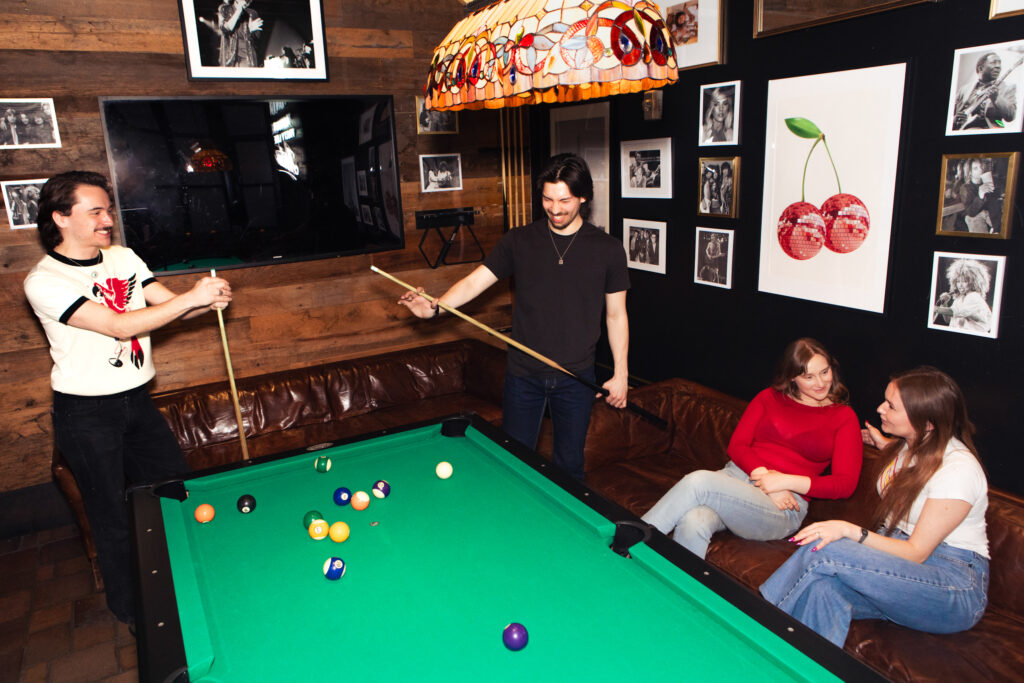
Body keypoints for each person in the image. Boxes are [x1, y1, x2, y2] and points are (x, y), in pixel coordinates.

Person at [23, 171, 233, 625]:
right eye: (95, 211)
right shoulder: (44, 280)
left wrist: (206, 298)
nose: (108, 219)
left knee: (176, 489)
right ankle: (135, 613)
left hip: (137, 400)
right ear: (61, 217)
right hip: (86, 413)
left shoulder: (123, 257)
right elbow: (120, 325)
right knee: (113, 516)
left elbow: (167, 306)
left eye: (108, 209)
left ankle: (198, 579)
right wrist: (190, 300)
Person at [396, 154, 629, 481]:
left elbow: (617, 315)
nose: (555, 208)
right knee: (513, 465)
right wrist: (435, 307)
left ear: (583, 197)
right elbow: (475, 282)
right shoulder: (519, 241)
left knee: (570, 467)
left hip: (576, 378)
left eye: (564, 200)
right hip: (523, 375)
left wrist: (621, 373)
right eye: (547, 198)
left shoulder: (608, 250)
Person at [760, 367, 989, 648]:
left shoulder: (959, 470)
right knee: (822, 588)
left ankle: (757, 625)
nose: (881, 409)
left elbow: (916, 553)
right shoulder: (913, 445)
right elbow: (916, 474)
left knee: (827, 549)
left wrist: (849, 530)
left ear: (927, 422)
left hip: (950, 586)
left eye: (891, 406)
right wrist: (887, 446)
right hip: (901, 568)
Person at [642, 338, 862, 559]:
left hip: (785, 503)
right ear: (792, 377)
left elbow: (845, 484)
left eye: (825, 372)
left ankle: (632, 539)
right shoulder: (769, 397)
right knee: (694, 521)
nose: (820, 383)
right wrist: (766, 479)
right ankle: (681, 586)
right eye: (809, 377)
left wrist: (783, 482)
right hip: (737, 477)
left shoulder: (843, 417)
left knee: (699, 482)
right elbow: (737, 445)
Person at [954, 52, 1018, 131]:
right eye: (993, 62)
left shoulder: (1008, 88)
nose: (998, 66)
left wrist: (996, 98)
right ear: (980, 68)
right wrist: (955, 120)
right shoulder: (964, 89)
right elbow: (951, 116)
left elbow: (1011, 116)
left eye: (999, 63)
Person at [933, 258, 993, 333]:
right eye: (958, 281)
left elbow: (954, 312)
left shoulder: (974, 297)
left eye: (965, 281)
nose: (960, 285)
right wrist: (944, 303)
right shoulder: (960, 298)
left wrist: (934, 309)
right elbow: (948, 320)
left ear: (973, 282)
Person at [216, 0, 263, 68]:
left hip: (246, 57)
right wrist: (238, 12)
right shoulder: (224, 9)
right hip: (229, 57)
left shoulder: (252, 13)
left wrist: (250, 31)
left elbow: (257, 41)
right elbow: (225, 29)